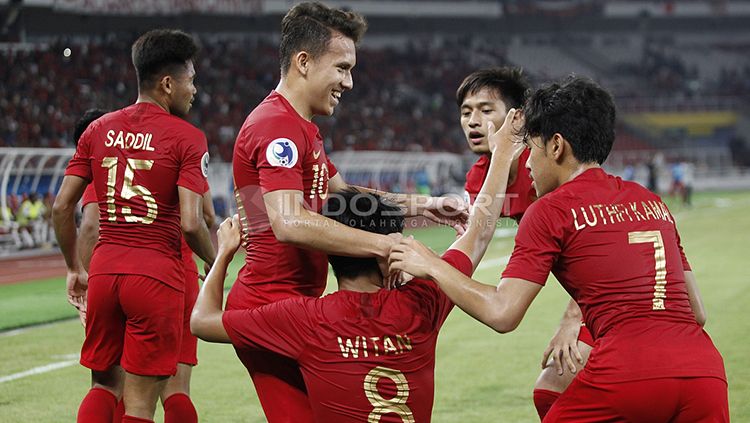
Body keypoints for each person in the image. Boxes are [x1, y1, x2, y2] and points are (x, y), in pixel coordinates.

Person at [390, 76, 728, 422]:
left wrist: (430, 263)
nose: (529, 163)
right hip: (705, 373)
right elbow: (696, 312)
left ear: (555, 146)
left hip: (628, 372)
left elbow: (502, 312)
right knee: (551, 389)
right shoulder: (652, 202)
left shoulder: (550, 207)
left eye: (531, 149)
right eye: (466, 112)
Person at [193, 110, 523, 421]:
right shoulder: (424, 301)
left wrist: (223, 253)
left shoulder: (304, 319)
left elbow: (202, 322)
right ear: (388, 257)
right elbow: (479, 232)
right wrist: (503, 155)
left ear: (330, 253)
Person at [229, 2, 468, 421]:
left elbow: (346, 195)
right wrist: (385, 246)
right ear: (303, 62)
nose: (349, 82)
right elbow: (288, 223)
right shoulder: (275, 126)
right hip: (269, 310)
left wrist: (426, 206)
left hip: (297, 305)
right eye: (341, 67)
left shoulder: (302, 127)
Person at [52, 29, 216, 423]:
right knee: (142, 404)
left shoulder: (98, 129)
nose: (194, 90)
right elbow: (193, 223)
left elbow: (61, 207)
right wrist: (214, 261)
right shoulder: (188, 138)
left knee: (104, 387)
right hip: (156, 276)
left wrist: (76, 268)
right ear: (167, 84)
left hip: (106, 275)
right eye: (191, 80)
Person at [457, 67, 594, 419]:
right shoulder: (482, 176)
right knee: (553, 393)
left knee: (555, 392)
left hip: (611, 291)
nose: (474, 121)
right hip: (591, 292)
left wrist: (573, 320)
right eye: (466, 111)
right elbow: (473, 243)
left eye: (487, 111)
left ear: (517, 119)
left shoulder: (545, 166)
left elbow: (595, 246)